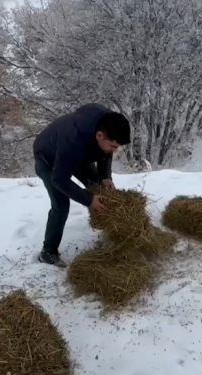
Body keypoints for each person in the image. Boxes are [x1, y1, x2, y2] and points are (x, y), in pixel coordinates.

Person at [33, 103, 131, 267]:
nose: (115, 151)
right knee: (61, 205)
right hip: (48, 159)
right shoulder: (73, 140)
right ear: (99, 136)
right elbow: (59, 179)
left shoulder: (107, 120)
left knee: (98, 184)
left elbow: (106, 151)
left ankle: (110, 228)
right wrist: (89, 199)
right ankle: (47, 252)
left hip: (80, 152)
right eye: (114, 147)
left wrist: (105, 176)